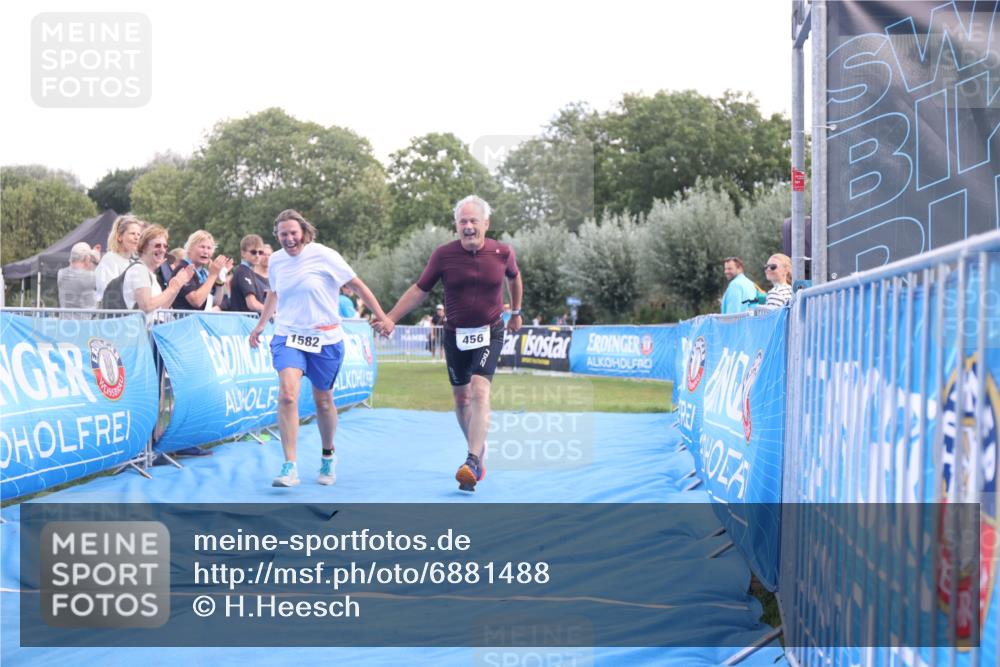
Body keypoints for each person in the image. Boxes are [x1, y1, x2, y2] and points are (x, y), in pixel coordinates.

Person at [374, 195, 523, 492]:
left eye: (473, 221)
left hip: (490, 331)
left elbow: (514, 278)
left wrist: (517, 311)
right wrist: (390, 317)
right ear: (456, 225)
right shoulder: (443, 255)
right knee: (461, 399)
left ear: (486, 223)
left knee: (480, 389)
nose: (468, 227)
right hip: (455, 335)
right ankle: (477, 447)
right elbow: (420, 290)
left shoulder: (502, 252)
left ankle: (472, 461)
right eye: (462, 222)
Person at [249, 209, 393, 488]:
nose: (289, 239)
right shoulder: (276, 260)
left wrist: (383, 316)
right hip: (288, 335)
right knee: (287, 396)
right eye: (283, 234)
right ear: (276, 236)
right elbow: (273, 294)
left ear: (303, 232)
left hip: (325, 338)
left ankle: (328, 454)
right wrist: (261, 325)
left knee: (323, 401)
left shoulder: (325, 255)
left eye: (293, 233)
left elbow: (357, 286)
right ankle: (290, 466)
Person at [123, 225, 196, 314]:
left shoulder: (150, 273)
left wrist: (178, 285)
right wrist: (173, 288)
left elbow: (161, 307)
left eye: (165, 246)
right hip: (139, 323)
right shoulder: (139, 270)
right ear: (144, 247)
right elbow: (146, 306)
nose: (162, 250)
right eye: (157, 245)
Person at [172, 230, 233, 311]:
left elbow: (216, 302)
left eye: (209, 248)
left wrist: (219, 280)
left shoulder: (203, 272)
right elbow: (196, 301)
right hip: (185, 318)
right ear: (190, 248)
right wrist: (212, 275)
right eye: (202, 247)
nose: (205, 252)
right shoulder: (183, 268)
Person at [95, 215, 142, 303]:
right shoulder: (110, 259)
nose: (136, 238)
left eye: (139, 234)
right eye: (132, 233)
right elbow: (108, 292)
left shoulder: (133, 263)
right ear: (119, 237)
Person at [228, 234, 268, 313]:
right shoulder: (243, 271)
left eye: (260, 252)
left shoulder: (249, 272)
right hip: (244, 319)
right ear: (243, 253)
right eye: (253, 252)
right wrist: (271, 312)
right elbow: (252, 304)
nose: (257, 256)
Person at [58, 242, 98, 309]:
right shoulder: (90, 276)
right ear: (87, 258)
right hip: (86, 316)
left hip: (65, 315)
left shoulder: (61, 274)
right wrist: (97, 261)